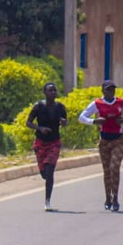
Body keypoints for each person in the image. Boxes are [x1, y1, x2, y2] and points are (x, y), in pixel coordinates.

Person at [78, 80, 123, 212]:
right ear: (103, 91)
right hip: (104, 140)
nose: (111, 92)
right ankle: (107, 197)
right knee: (107, 170)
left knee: (114, 167)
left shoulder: (121, 102)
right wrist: (94, 121)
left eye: (113, 89)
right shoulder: (97, 104)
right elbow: (82, 117)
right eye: (108, 89)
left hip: (118, 140)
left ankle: (115, 197)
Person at [26, 82, 68, 211]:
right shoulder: (38, 107)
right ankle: (43, 173)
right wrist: (40, 128)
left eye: (54, 90)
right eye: (50, 90)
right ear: (44, 92)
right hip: (40, 142)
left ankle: (47, 201)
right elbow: (28, 122)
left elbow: (65, 122)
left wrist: (64, 122)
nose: (53, 93)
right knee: (44, 173)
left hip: (54, 142)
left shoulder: (60, 107)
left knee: (50, 173)